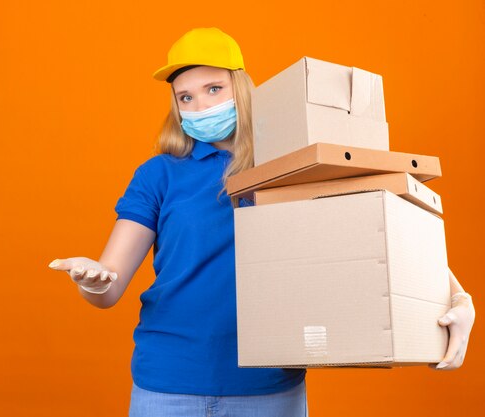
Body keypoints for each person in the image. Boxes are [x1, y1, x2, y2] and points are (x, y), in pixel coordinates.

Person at [48, 27, 476, 416]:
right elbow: (109, 285)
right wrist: (94, 280)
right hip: (167, 384)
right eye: (186, 98)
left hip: (269, 388)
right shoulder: (159, 174)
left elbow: (376, 222)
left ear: (242, 88)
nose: (200, 106)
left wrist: (456, 298)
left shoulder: (288, 161)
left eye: (214, 89)